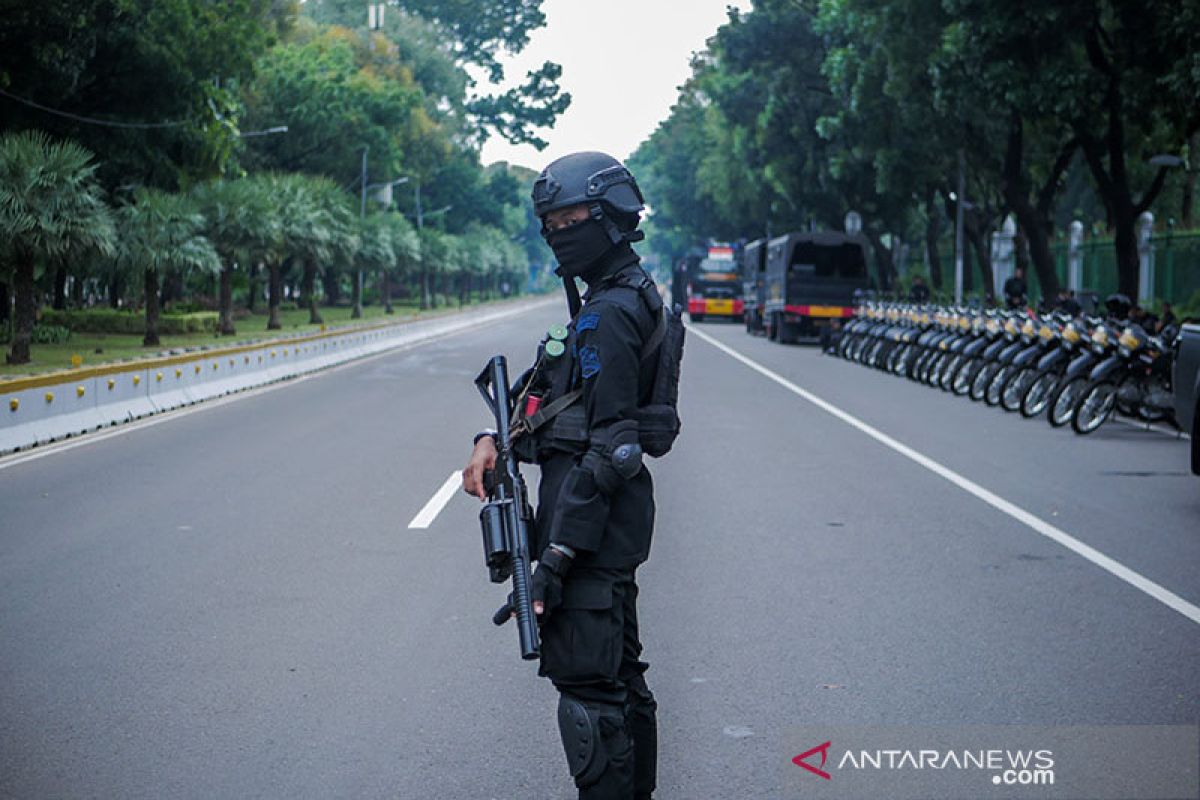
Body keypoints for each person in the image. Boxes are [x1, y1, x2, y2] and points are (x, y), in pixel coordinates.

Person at [462, 151, 663, 800]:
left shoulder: (612, 315)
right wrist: (493, 437)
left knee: (591, 698)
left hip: (590, 534)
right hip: (601, 530)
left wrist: (554, 556)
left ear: (608, 217)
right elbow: (553, 392)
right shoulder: (606, 303)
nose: (557, 233)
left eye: (569, 219)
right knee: (618, 682)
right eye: (548, 222)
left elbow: (614, 452)